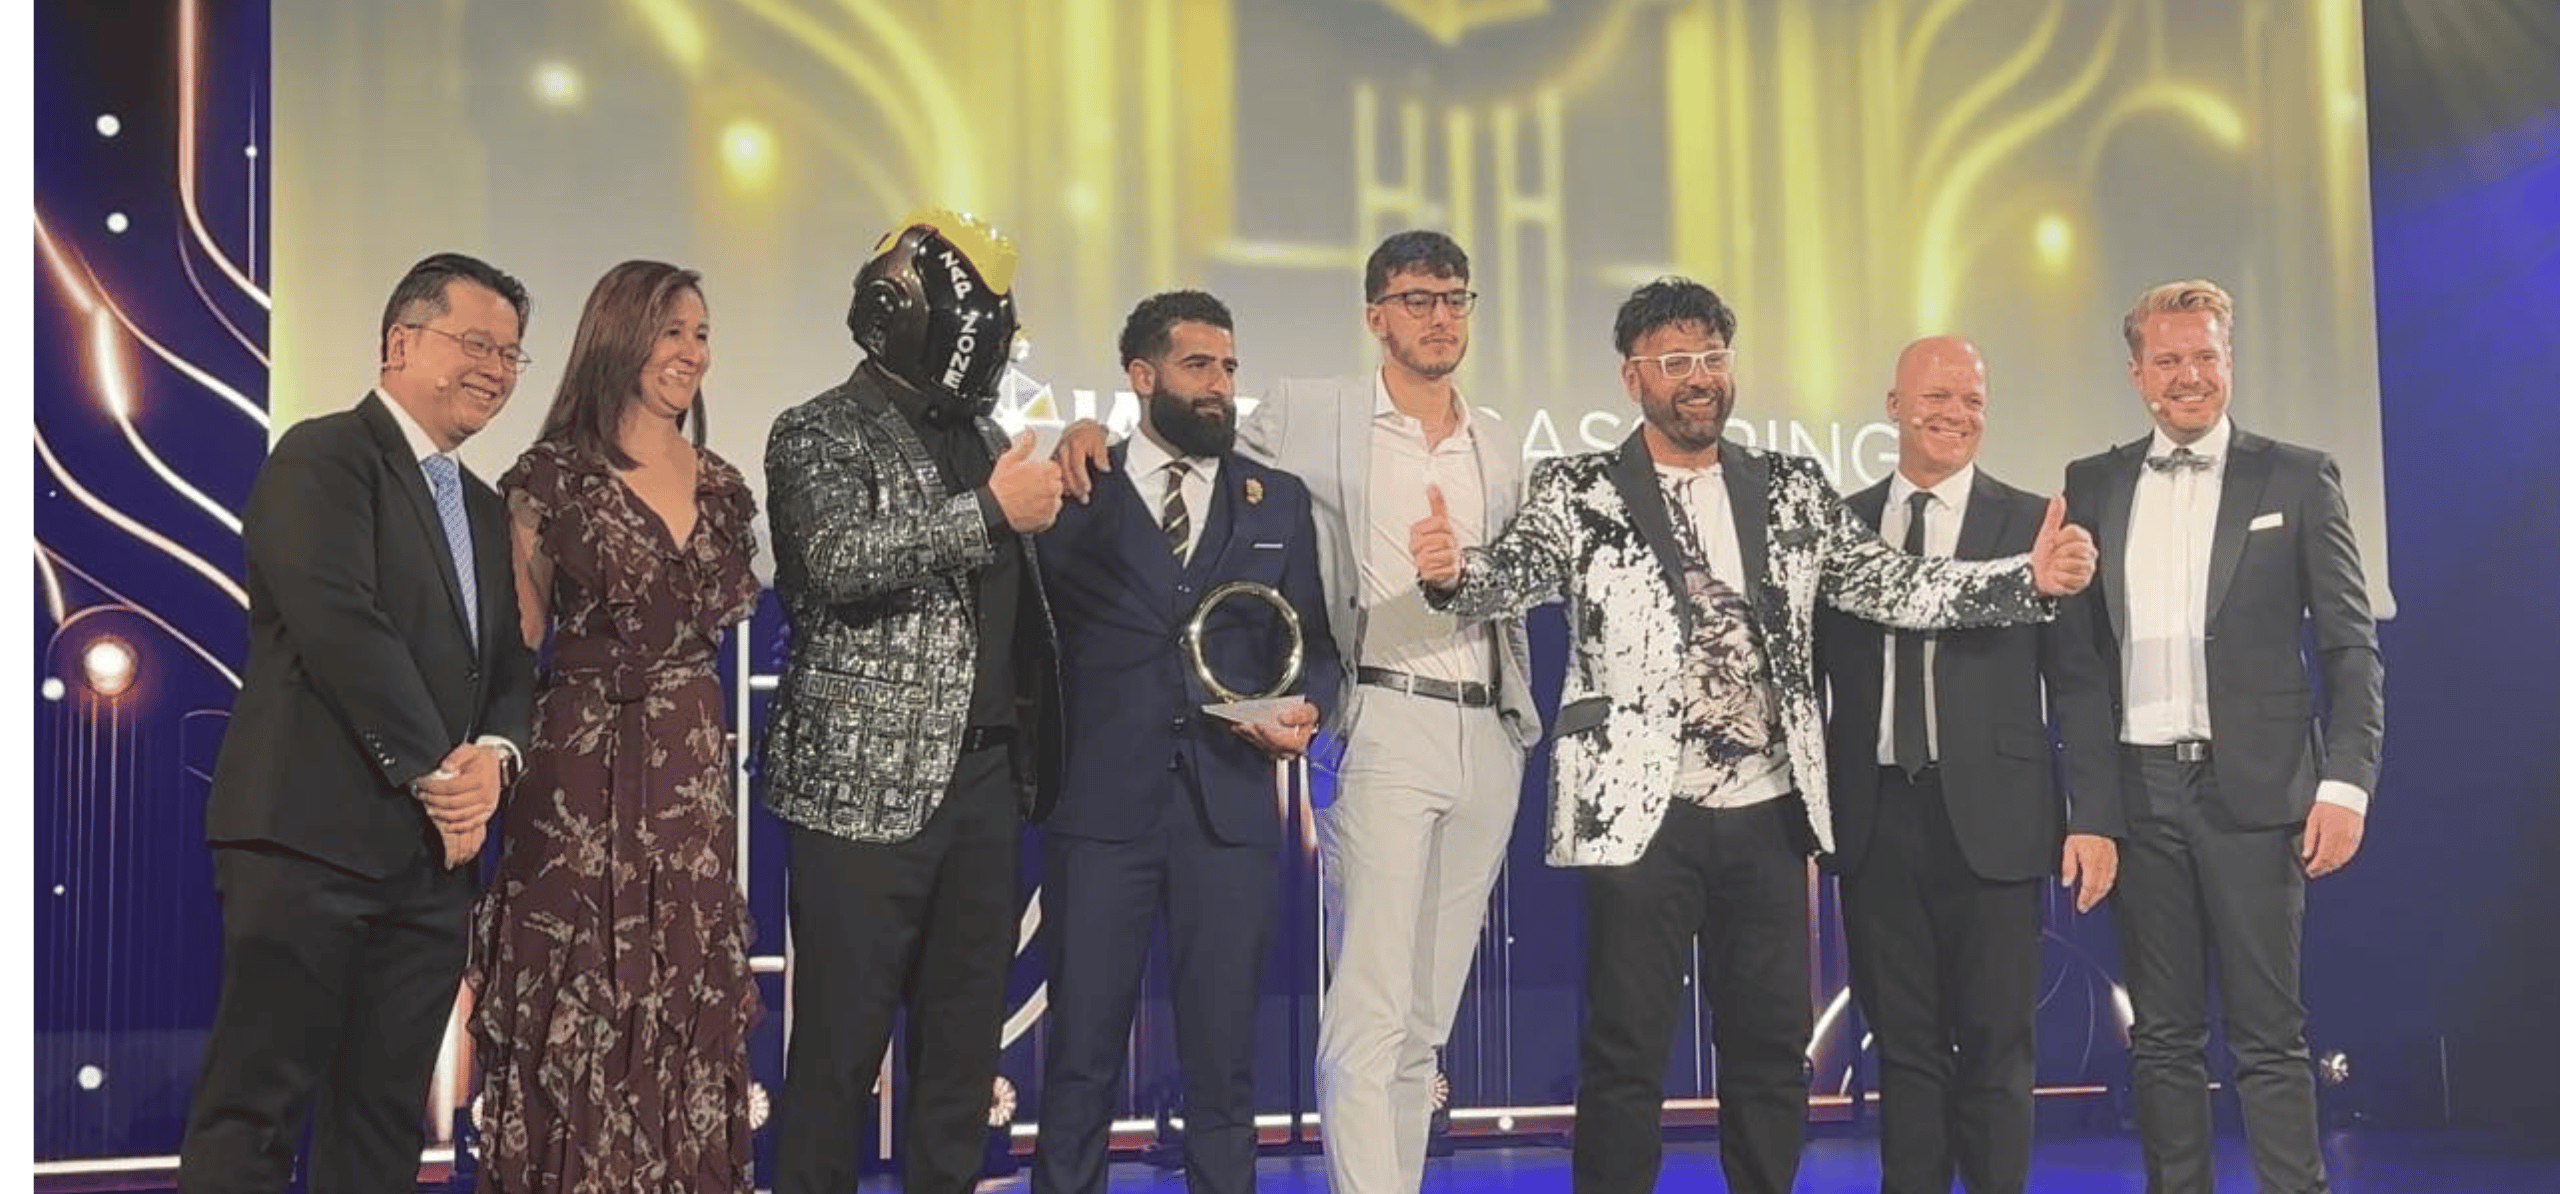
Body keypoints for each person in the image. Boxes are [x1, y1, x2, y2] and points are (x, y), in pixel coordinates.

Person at [1412, 278, 2096, 1194]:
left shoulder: (1788, 486)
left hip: (1770, 812)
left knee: (1771, 1051)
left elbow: (1893, 586)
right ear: (1633, 377)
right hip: (1635, 815)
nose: (1699, 378)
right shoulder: (1576, 487)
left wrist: (2026, 579)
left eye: (1713, 358)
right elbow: (1516, 572)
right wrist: (1456, 572)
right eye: (1677, 361)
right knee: (1624, 1051)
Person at [1056, 231, 1539, 1194]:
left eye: (1455, 297)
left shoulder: (1497, 438)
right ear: (1375, 315)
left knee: (1425, 1017)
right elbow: (1180, 447)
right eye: (1416, 298)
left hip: (1486, 728)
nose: (1439, 315)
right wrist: (1083, 439)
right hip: (1383, 718)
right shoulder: (1309, 414)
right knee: (1369, 1007)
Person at [179, 252, 536, 1192]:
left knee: (382, 1119)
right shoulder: (323, 454)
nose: (495, 368)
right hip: (308, 844)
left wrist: (495, 759)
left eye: (510, 354)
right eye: (476, 342)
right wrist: (436, 774)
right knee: (257, 1105)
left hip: (430, 870)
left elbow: (507, 670)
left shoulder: (490, 512)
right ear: (400, 342)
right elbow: (340, 621)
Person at [762, 210, 1065, 1194]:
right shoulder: (814, 428)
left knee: (961, 1060)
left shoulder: (986, 433)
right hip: (860, 794)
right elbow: (833, 562)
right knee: (837, 1058)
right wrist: (988, 513)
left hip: (983, 783)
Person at [2062, 279, 2383, 1194]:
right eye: (2168, 359)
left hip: (2259, 789)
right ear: (2137, 375)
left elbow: (2350, 647)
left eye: (2205, 355)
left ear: (2229, 361)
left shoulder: (2297, 473)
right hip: (2137, 790)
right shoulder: (2093, 481)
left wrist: (2346, 782)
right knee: (2161, 1037)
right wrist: (2090, 807)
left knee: (2269, 1034)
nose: (2190, 375)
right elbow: (2080, 668)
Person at [1030, 290, 1341, 1194]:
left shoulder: (1275, 499)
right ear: (1142, 376)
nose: (1220, 386)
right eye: (1199, 365)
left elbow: (1314, 645)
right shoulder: (1073, 489)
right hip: (1099, 811)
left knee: (1223, 1062)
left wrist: (1305, 710)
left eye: (1230, 367)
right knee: (1082, 1058)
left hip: (1229, 812)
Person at [467, 261, 763, 1191]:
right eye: (671, 330)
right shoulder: (548, 479)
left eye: (701, 334)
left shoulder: (723, 485)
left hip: (688, 777)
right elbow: (514, 650)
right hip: (577, 781)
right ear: (618, 336)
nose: (690, 353)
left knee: (684, 999)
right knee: (579, 994)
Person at [1811, 336, 2124, 1194]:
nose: (1955, 414)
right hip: (1874, 818)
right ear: (1893, 403)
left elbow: (2080, 685)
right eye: (1937, 395)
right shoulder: (1837, 525)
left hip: (1997, 819)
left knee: (1997, 1048)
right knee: (1904, 1050)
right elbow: (1804, 685)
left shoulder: (2036, 525)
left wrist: (2094, 816)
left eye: (1973, 402)